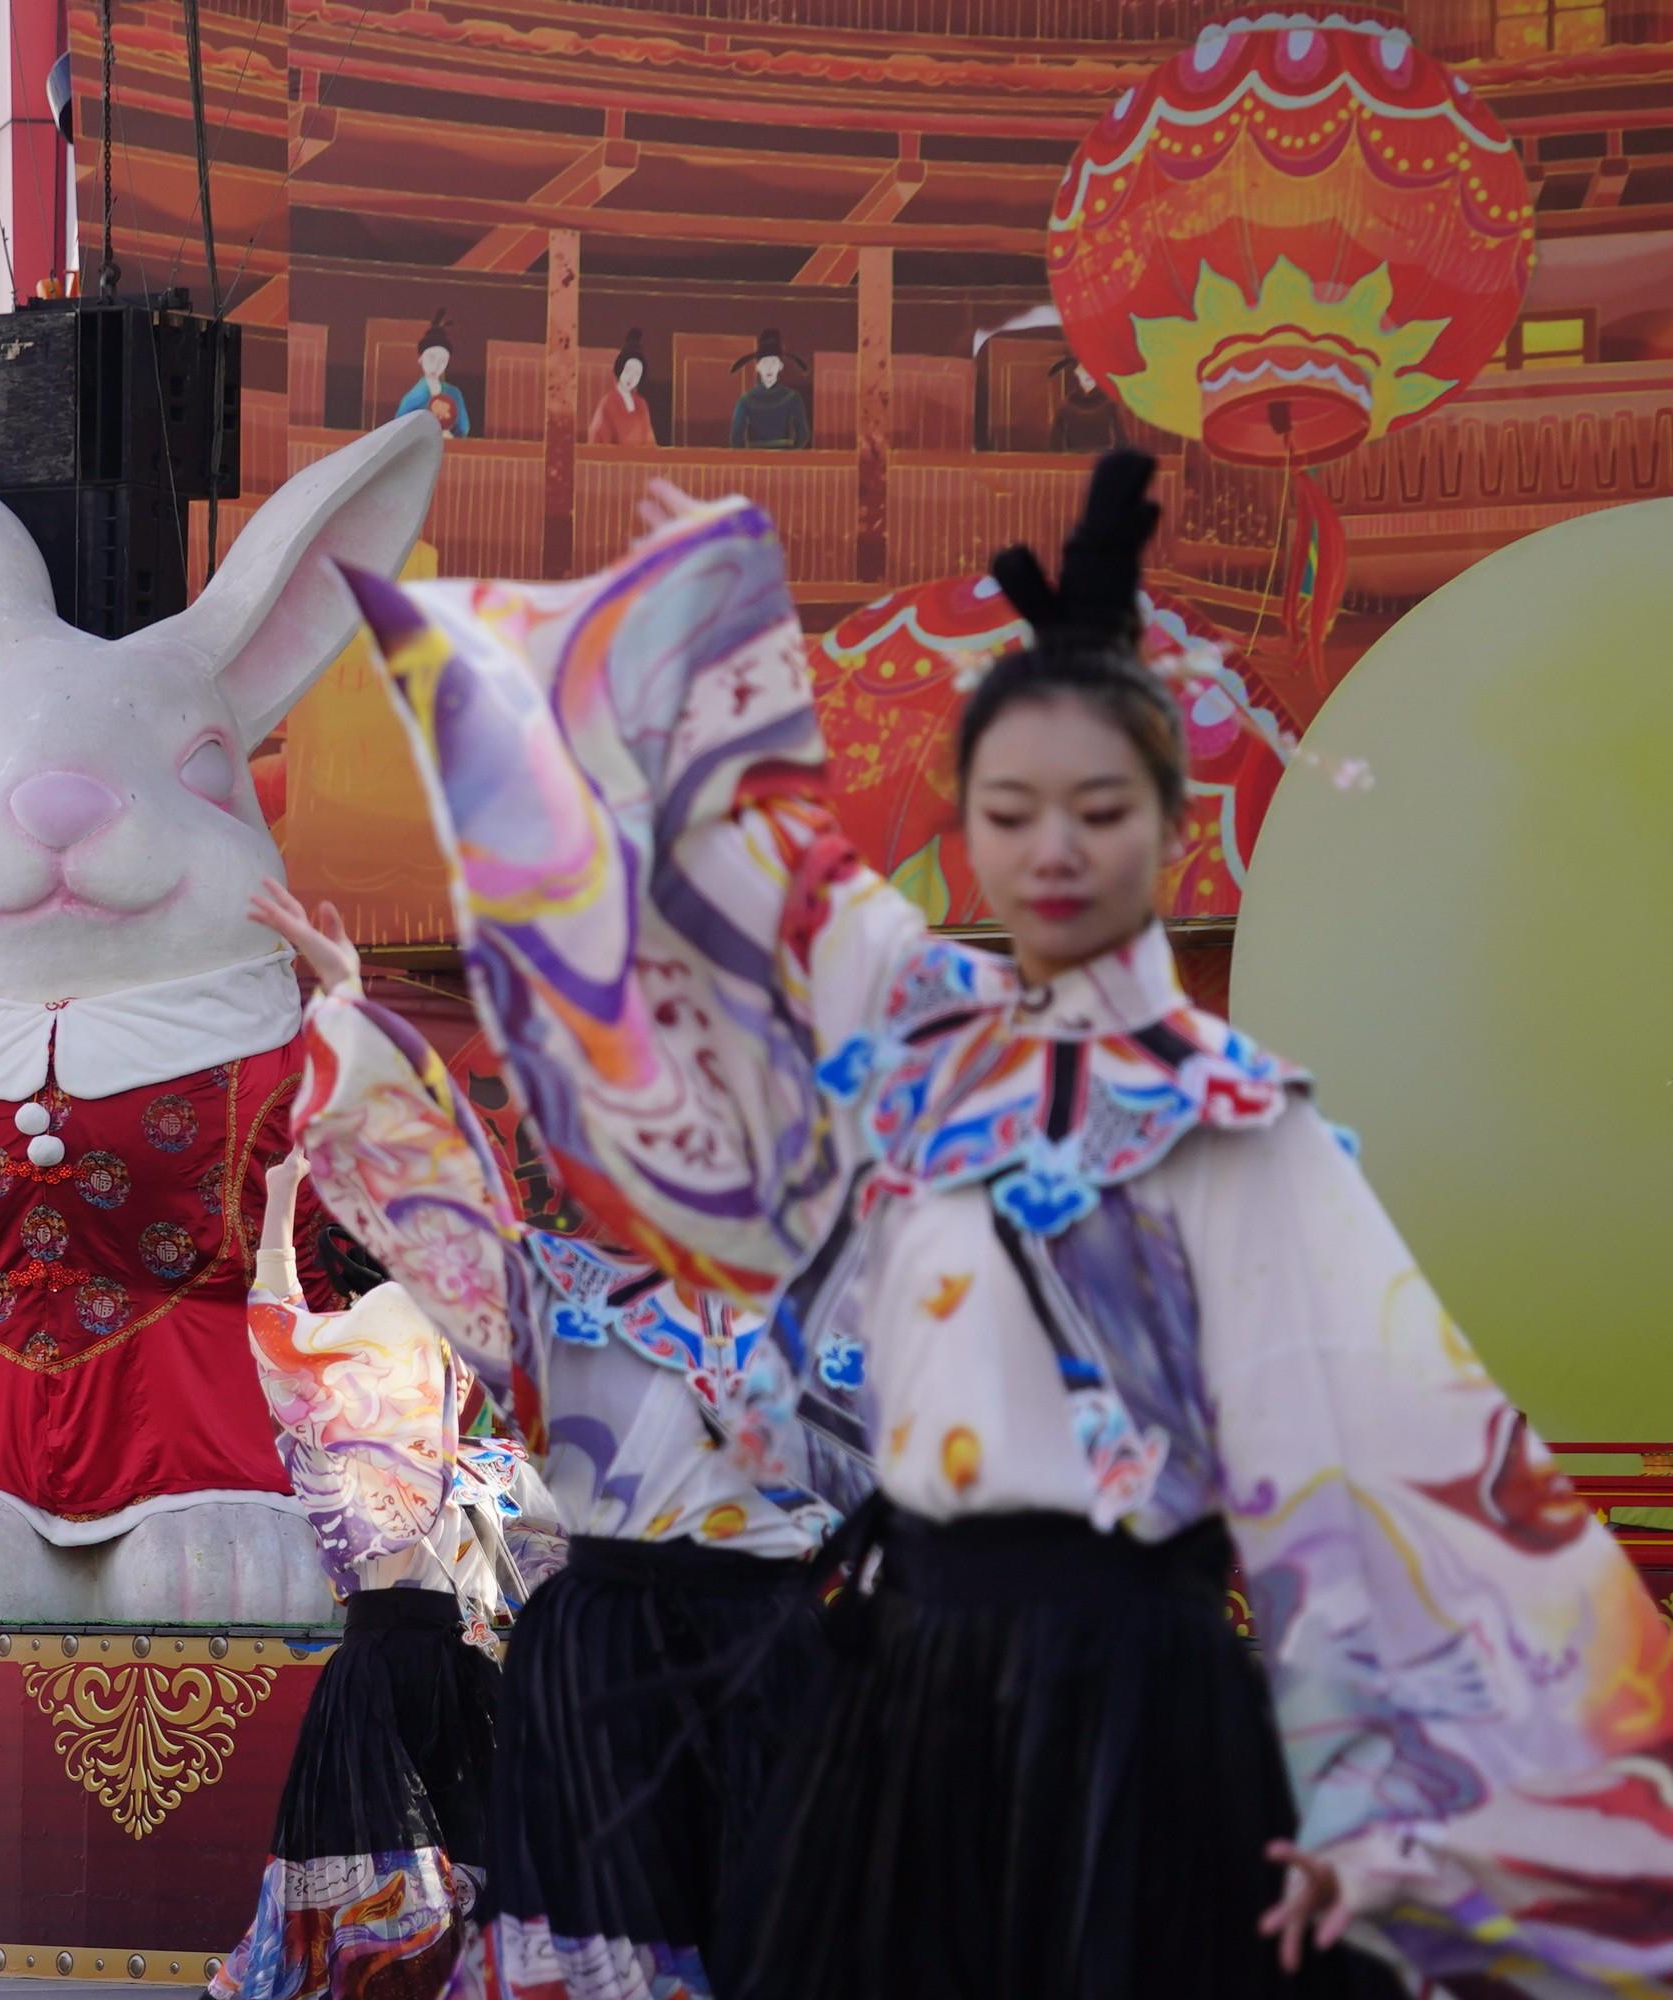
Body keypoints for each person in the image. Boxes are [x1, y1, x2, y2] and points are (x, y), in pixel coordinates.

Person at [338, 453, 1673, 1994]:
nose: (1052, 848)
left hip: (1147, 1709)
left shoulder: (1245, 1127)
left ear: (1165, 833)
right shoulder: (923, 1040)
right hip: (916, 1706)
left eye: (1097, 807)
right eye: (1013, 807)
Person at [250, 880, 842, 2000]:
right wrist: (346, 1010)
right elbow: (441, 1194)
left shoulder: (817, 1289)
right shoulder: (558, 1296)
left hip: (757, 1651)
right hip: (612, 1662)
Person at [206, 1143, 545, 2000]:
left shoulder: (478, 1468)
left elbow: (282, 1339)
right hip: (430, 1677)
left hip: (417, 1676)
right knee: (418, 1895)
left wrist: (282, 1204)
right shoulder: (446, 1466)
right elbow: (289, 1345)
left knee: (436, 1889)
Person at [726, 330, 811, 450]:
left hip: (784, 460)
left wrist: (790, 456)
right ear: (757, 367)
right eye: (765, 362)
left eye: (773, 362)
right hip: (755, 459)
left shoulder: (793, 398)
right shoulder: (745, 400)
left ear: (780, 366)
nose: (769, 367)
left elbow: (803, 434)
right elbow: (736, 438)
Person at [394, 310, 471, 438]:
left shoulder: (454, 393)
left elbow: (463, 428)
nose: (436, 364)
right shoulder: (414, 395)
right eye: (431, 357)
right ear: (420, 359)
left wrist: (450, 436)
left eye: (443, 360)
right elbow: (398, 426)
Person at [583, 329, 654, 447]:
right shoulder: (608, 403)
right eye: (628, 370)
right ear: (621, 370)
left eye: (636, 374)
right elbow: (598, 443)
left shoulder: (641, 404)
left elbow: (650, 444)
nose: (631, 377)